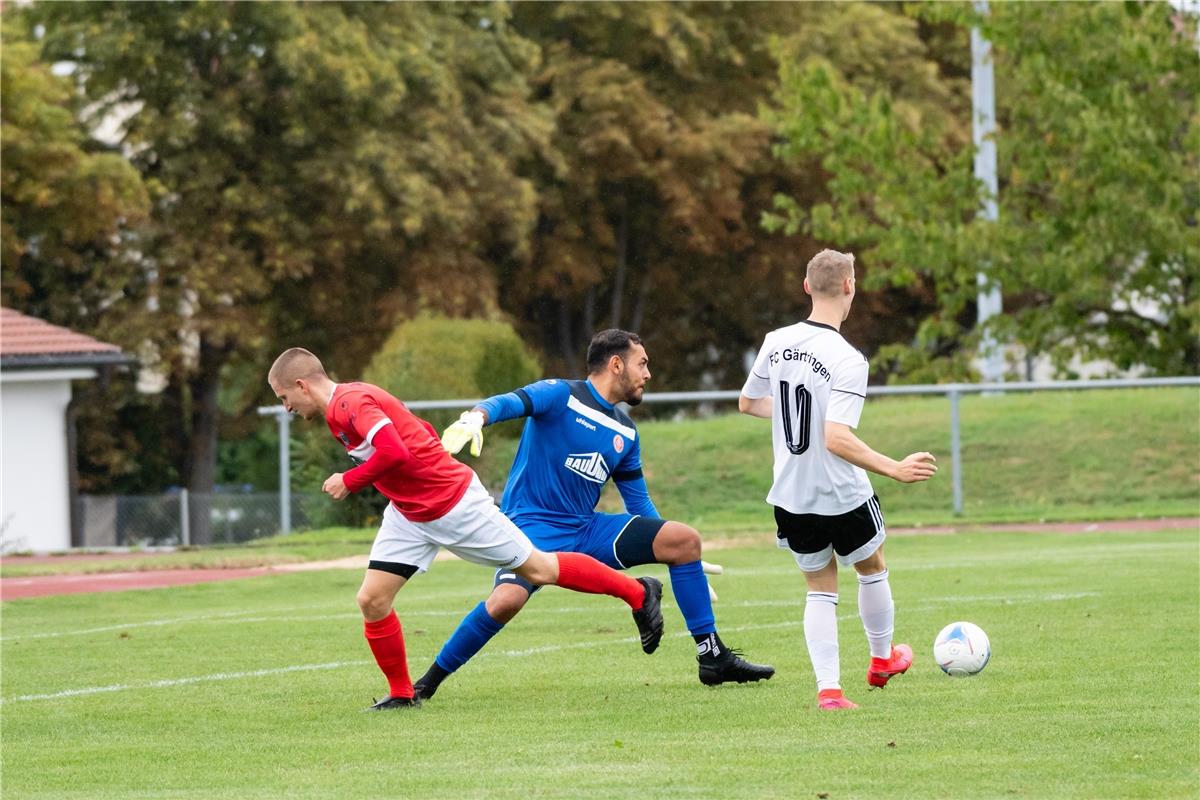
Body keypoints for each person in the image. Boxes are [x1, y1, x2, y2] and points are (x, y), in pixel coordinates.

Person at [267, 347, 664, 711]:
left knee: (540, 570)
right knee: (372, 600)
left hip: (454, 504)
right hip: (409, 513)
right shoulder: (343, 408)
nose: (285, 407)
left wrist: (350, 480)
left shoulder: (349, 403)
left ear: (302, 384)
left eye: (284, 397)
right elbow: (413, 431)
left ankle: (637, 591)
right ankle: (403, 695)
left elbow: (394, 450)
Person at [413, 329, 774, 700]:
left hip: (585, 531)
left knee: (683, 540)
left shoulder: (626, 432)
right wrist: (476, 417)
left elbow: (639, 505)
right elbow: (509, 401)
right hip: (530, 527)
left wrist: (681, 559)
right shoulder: (561, 396)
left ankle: (712, 658)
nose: (648, 374)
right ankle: (425, 686)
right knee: (506, 601)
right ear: (616, 364)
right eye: (642, 364)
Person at [738, 249, 938, 710]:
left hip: (790, 493)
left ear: (807, 287)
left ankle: (829, 691)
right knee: (872, 567)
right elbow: (836, 438)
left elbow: (749, 404)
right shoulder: (849, 359)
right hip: (841, 493)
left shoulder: (775, 340)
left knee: (820, 588)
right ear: (850, 286)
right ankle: (881, 659)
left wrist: (795, 417)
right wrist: (894, 468)